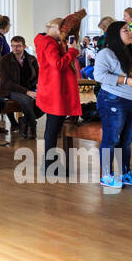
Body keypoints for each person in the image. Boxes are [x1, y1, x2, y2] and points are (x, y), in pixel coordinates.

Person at [93, 19, 132, 190]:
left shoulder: (130, 52)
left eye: (129, 30)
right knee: (111, 138)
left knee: (126, 140)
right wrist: (125, 80)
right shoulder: (106, 53)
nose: (130, 33)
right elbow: (99, 76)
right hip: (113, 99)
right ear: (115, 34)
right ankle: (105, 174)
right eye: (125, 30)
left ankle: (124, 172)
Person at [35, 11, 85, 174]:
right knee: (52, 129)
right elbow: (57, 64)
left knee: (53, 128)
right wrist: (72, 52)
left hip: (53, 89)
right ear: (58, 28)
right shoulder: (49, 43)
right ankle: (49, 164)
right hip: (55, 91)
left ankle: (50, 163)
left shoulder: (47, 42)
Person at [0, 35, 39, 138]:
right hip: (10, 90)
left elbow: (37, 77)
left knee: (44, 99)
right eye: (13, 46)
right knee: (27, 100)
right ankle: (32, 126)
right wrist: (27, 92)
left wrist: (37, 89)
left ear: (24, 46)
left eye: (18, 46)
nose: (15, 49)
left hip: (29, 88)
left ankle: (24, 121)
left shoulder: (32, 59)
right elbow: (7, 83)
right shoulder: (4, 60)